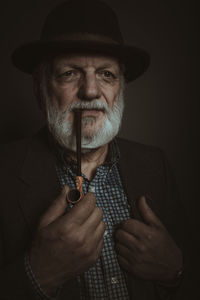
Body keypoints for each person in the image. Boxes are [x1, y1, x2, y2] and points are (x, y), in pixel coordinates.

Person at [0, 1, 188, 299]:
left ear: (120, 89)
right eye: (69, 74)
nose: (90, 91)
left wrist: (175, 271)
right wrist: (36, 274)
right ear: (39, 88)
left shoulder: (155, 164)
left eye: (106, 75)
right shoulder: (4, 172)